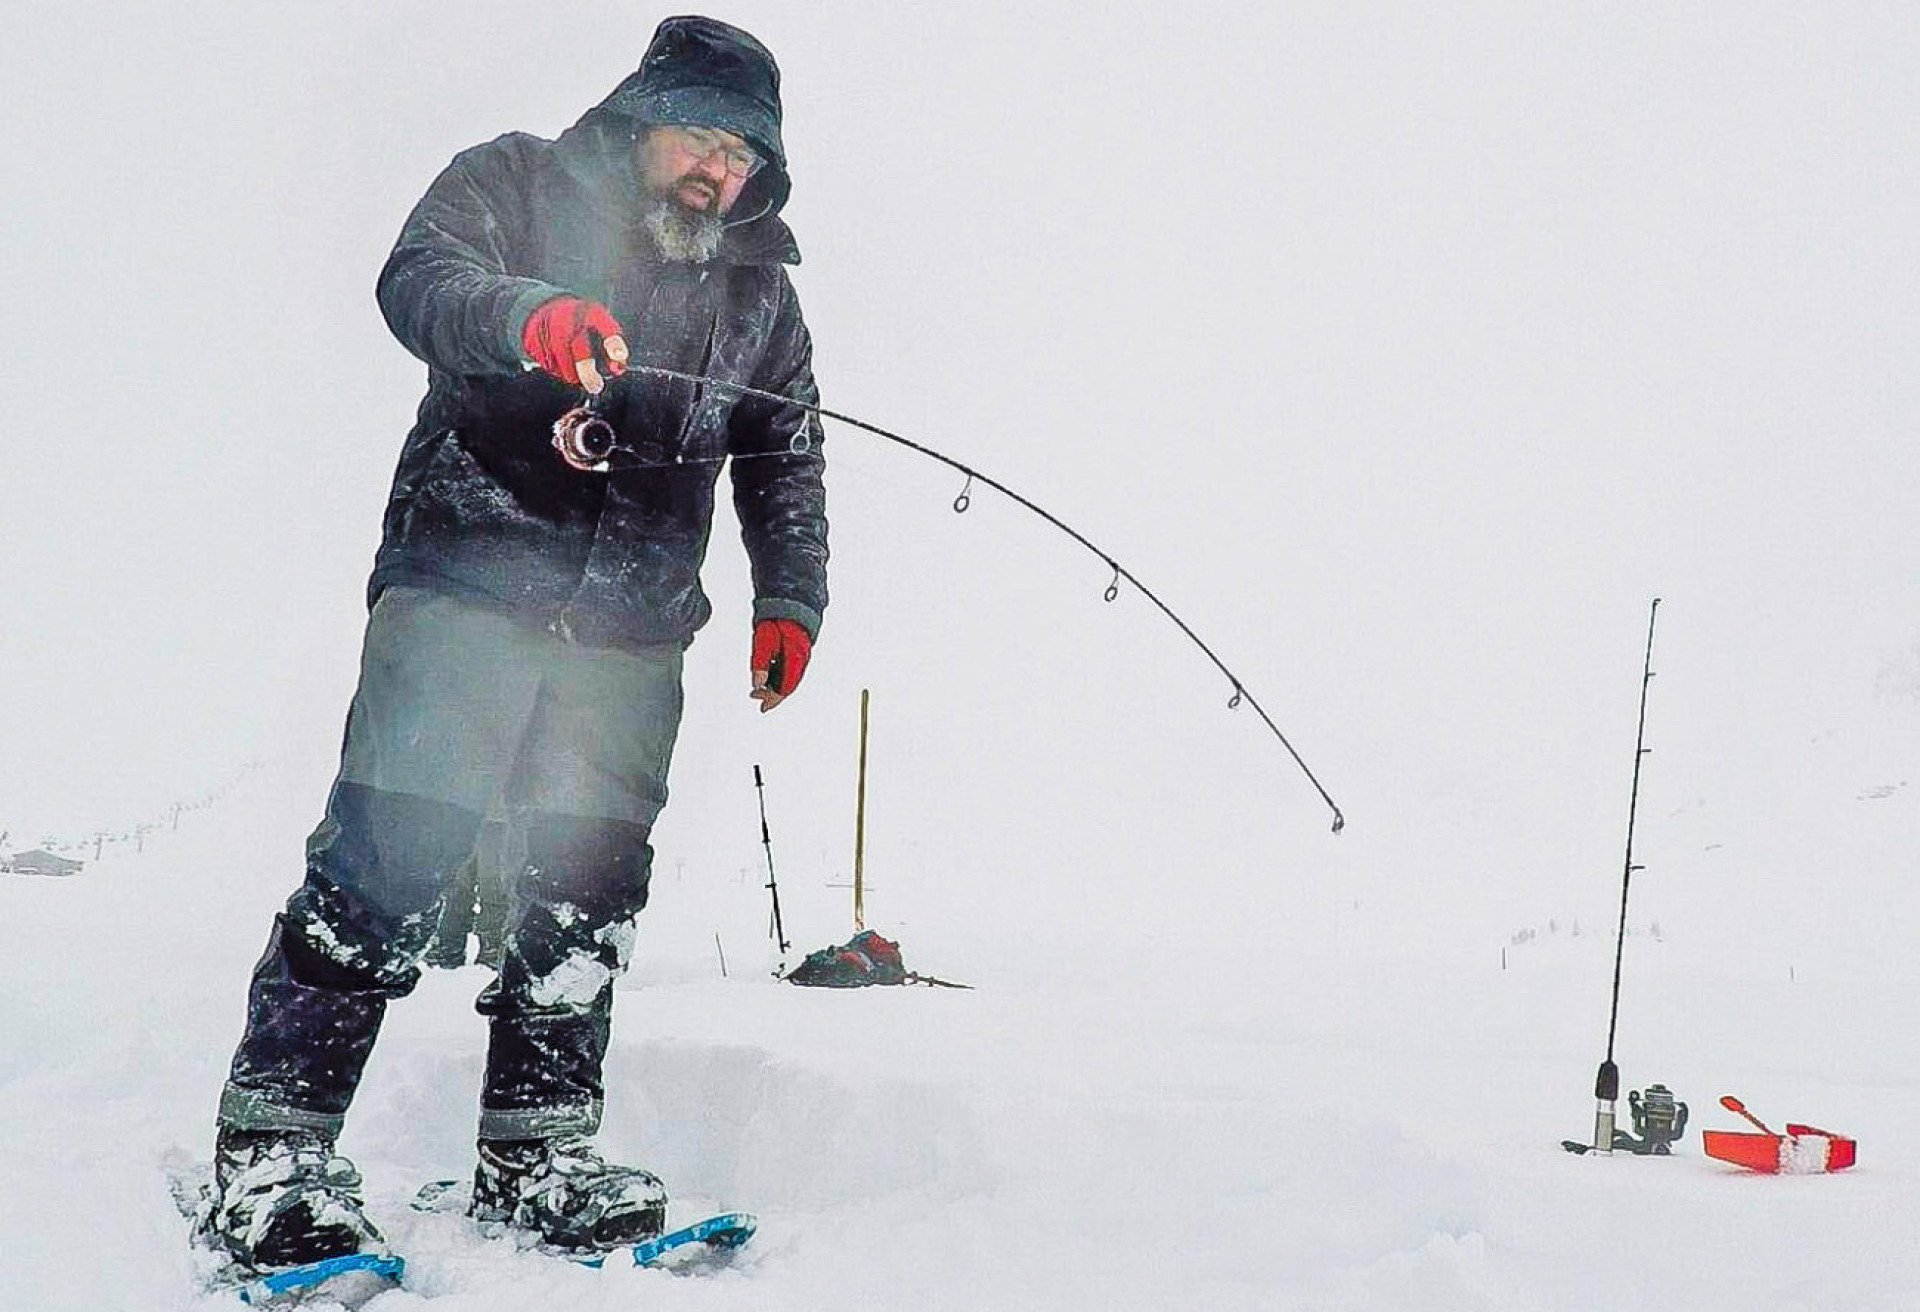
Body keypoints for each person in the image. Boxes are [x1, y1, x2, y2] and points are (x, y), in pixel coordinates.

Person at [199, 15, 828, 1269]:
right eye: (700, 139)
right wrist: (523, 314)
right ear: (644, 121)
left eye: (741, 159)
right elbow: (417, 278)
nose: (717, 173)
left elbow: (787, 449)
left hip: (633, 631)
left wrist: (790, 598)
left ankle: (534, 1152)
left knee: (587, 893)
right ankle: (272, 1149)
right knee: (389, 855)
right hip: (467, 583)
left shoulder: (761, 296)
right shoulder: (513, 181)